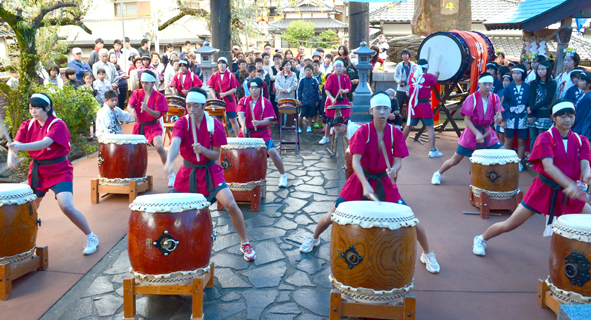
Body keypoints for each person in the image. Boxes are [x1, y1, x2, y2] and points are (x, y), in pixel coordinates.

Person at [300, 93, 441, 273]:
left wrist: (394, 169)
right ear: (371, 111)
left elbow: (398, 161)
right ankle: (314, 238)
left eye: (385, 109)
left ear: (391, 111)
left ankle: (427, 254)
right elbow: (355, 161)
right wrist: (365, 184)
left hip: (383, 181)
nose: (382, 112)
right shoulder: (363, 132)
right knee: (331, 215)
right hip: (360, 179)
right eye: (378, 108)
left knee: (411, 219)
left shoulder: (395, 133)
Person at [473, 100, 591, 256]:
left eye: (571, 116)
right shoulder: (545, 138)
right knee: (510, 224)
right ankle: (481, 238)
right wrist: (569, 185)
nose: (568, 120)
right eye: (563, 116)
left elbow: (585, 163)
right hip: (544, 189)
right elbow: (548, 166)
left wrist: (587, 174)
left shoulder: (581, 140)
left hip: (571, 192)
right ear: (553, 118)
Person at [164, 88, 256, 261]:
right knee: (171, 209)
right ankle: (175, 246)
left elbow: (216, 156)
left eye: (195, 106)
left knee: (230, 204)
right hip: (187, 172)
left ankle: (245, 242)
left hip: (210, 171)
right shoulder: (181, 123)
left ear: (203, 106)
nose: (191, 109)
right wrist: (170, 160)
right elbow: (175, 142)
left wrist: (203, 150)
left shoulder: (215, 125)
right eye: (188, 105)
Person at [7, 93, 99, 255]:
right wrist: (10, 156)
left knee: (67, 206)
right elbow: (15, 144)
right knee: (31, 209)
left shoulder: (58, 125)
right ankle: (25, 244)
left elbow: (44, 143)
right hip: (38, 170)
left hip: (59, 169)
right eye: (30, 108)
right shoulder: (27, 125)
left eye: (36, 108)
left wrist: (19, 148)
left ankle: (91, 237)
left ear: (47, 108)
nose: (33, 112)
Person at [432, 73, 504, 185]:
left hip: (488, 133)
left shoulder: (495, 98)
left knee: (504, 154)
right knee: (454, 160)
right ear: (479, 83)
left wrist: (499, 117)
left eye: (490, 84)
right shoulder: (472, 98)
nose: (487, 87)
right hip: (471, 133)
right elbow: (467, 120)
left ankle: (501, 181)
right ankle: (438, 173)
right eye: (484, 84)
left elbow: (499, 115)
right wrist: (476, 133)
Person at [237, 78, 288, 187]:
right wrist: (243, 126)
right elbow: (241, 115)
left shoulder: (266, 102)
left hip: (262, 133)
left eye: (256, 88)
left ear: (261, 89)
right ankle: (239, 177)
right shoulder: (244, 100)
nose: (253, 90)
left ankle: (283, 175)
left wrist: (258, 122)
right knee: (237, 153)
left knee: (273, 152)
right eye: (251, 88)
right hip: (247, 132)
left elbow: (267, 120)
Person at [127, 70, 174, 186]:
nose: (144, 85)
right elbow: (129, 106)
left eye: (147, 83)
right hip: (139, 126)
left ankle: (171, 174)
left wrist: (147, 109)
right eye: (143, 82)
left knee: (159, 147)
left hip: (153, 126)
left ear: (153, 83)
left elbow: (158, 115)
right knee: (134, 151)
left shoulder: (159, 97)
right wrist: (131, 111)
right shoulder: (137, 93)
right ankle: (134, 175)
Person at [402, 59, 442, 158]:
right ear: (426, 68)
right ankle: (432, 151)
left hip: (413, 106)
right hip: (424, 105)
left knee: (408, 125)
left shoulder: (411, 76)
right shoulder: (429, 77)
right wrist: (437, 74)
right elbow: (435, 79)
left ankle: (399, 145)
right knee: (430, 128)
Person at [501, 64, 530, 171]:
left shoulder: (528, 87)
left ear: (522, 74)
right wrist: (504, 118)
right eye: (513, 73)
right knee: (508, 140)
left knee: (521, 141)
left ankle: (518, 162)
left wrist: (526, 108)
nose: (515, 75)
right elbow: (503, 103)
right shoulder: (508, 88)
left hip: (523, 117)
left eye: (518, 73)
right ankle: (507, 161)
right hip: (510, 118)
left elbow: (530, 101)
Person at [319, 59, 351, 145]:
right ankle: (326, 137)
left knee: (345, 119)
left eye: (340, 66)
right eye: (336, 66)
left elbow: (348, 89)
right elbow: (326, 90)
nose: (338, 68)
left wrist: (343, 91)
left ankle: (347, 136)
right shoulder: (330, 77)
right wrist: (332, 98)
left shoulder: (346, 77)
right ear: (333, 68)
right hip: (332, 100)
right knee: (329, 120)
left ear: (343, 67)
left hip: (343, 100)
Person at [208, 57, 241, 137]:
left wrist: (225, 93)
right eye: (220, 63)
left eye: (223, 63)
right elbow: (210, 87)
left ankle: (238, 136)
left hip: (229, 100)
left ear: (226, 65)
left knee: (232, 119)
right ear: (218, 65)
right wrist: (214, 97)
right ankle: (221, 136)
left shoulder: (230, 75)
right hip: (219, 100)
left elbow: (234, 89)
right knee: (219, 119)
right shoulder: (214, 75)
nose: (221, 65)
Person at [527, 61, 555, 151]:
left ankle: (540, 160)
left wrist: (531, 108)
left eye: (543, 69)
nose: (540, 71)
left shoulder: (552, 83)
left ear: (548, 70)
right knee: (532, 138)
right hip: (533, 113)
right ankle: (532, 159)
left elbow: (547, 99)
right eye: (539, 69)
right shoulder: (534, 83)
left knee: (541, 139)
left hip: (544, 113)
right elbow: (531, 98)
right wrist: (530, 114)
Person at [297, 65, 320, 133]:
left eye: (310, 70)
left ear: (312, 71)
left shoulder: (314, 80)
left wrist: (317, 100)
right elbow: (299, 90)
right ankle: (298, 127)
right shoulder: (302, 80)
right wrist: (300, 100)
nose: (308, 72)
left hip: (312, 101)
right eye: (307, 70)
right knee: (302, 114)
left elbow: (317, 91)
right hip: (304, 100)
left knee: (311, 114)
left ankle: (309, 126)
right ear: (304, 71)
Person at [393, 49, 414, 121]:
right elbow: (395, 76)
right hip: (401, 89)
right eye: (403, 55)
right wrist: (399, 81)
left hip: (410, 88)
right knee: (399, 105)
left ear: (409, 55)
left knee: (410, 105)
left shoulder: (413, 66)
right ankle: (397, 120)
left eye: (406, 54)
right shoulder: (399, 65)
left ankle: (410, 121)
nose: (404, 56)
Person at [572, 72, 591, 139]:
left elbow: (582, 115)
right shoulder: (582, 95)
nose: (579, 82)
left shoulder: (588, 98)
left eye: (582, 81)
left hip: (579, 127)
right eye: (579, 80)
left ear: (589, 83)